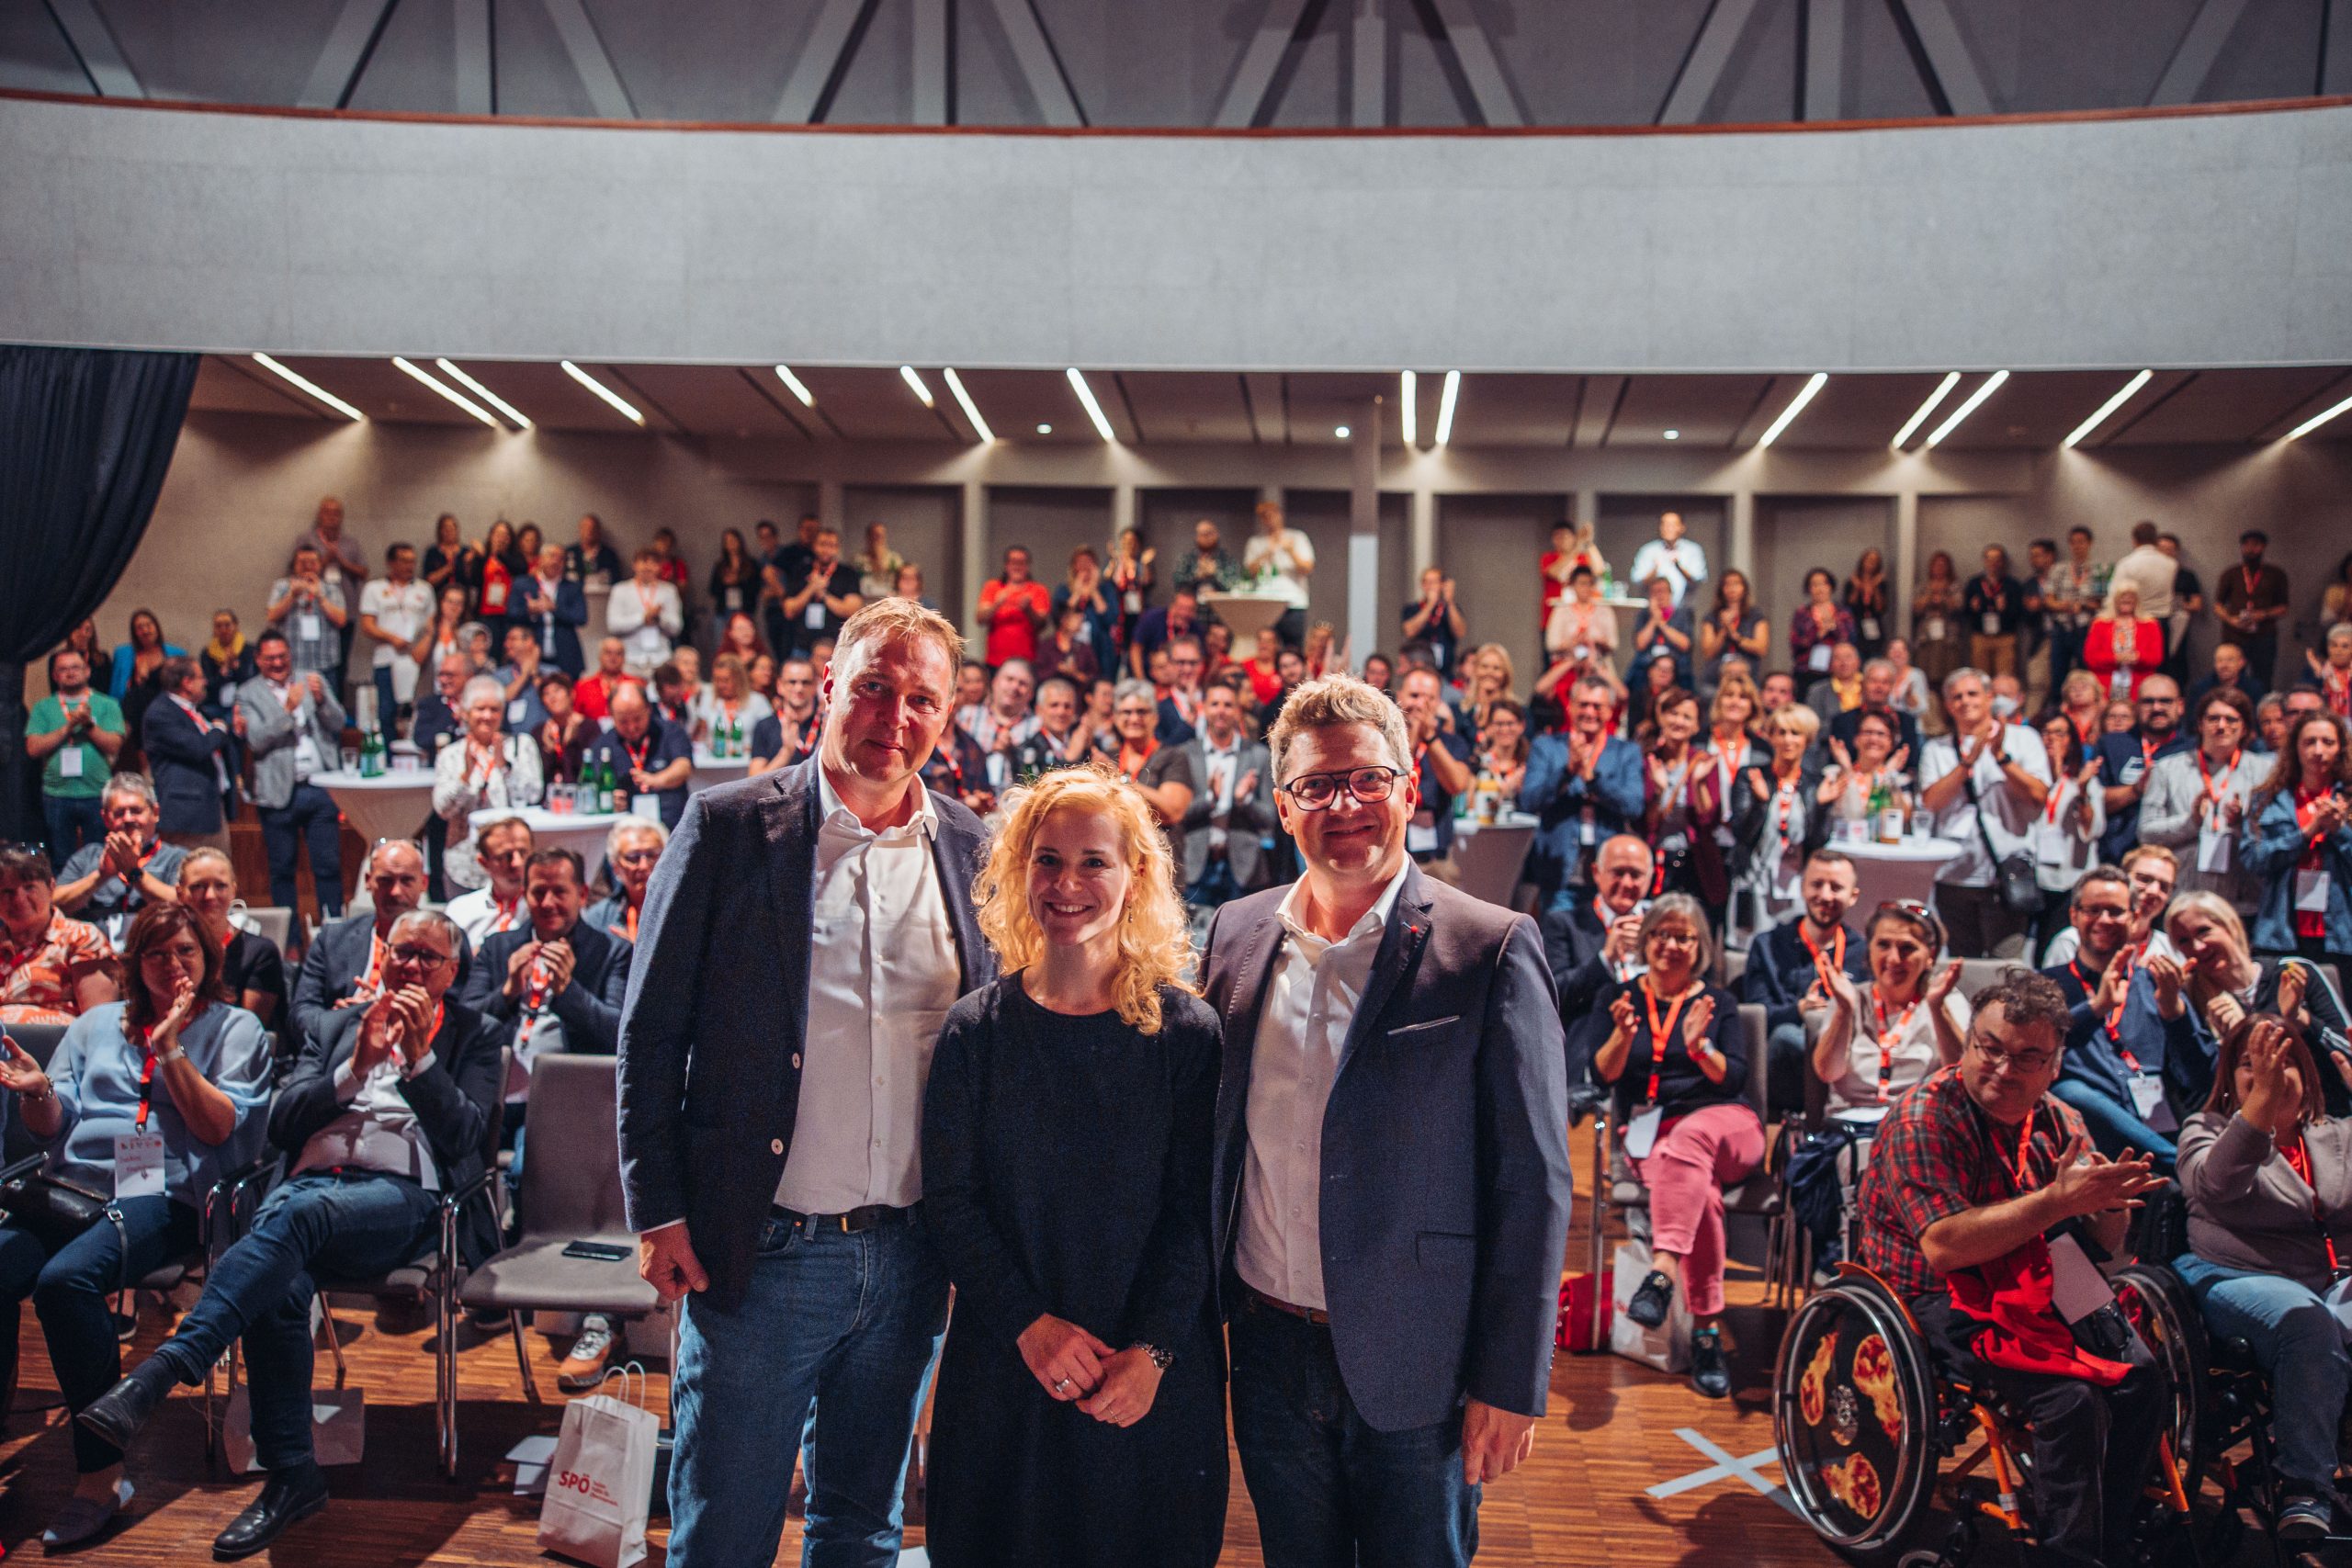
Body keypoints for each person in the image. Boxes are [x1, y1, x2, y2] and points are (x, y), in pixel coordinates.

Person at [617, 599, 993, 1567]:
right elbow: (650, 1032)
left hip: (912, 1256)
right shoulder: (730, 826)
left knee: (861, 1530)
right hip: (764, 1249)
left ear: (947, 715)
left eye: (921, 699)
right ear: (828, 688)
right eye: (874, 687)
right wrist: (657, 1209)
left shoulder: (970, 846)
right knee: (724, 1536)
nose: (894, 717)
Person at [1195, 672, 1570, 1565]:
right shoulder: (1236, 936)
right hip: (1267, 1350)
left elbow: (1533, 1180)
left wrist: (1511, 1377)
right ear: (1283, 805)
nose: (1345, 804)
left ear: (1408, 788)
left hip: (1420, 1360)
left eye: (1367, 778)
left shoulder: (1487, 945)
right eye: (1317, 785)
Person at [78, 908, 500, 1558]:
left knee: (290, 1220)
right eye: (402, 951)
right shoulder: (335, 1026)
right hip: (308, 1186)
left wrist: (418, 1061)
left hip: (400, 1200)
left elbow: (468, 1136)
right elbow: (281, 1123)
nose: (412, 966)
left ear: (452, 971)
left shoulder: (476, 1032)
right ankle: (291, 1476)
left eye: (429, 957)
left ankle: (163, 1372)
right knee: (280, 1278)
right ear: (382, 956)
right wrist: (354, 1068)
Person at [920, 769, 1227, 1565]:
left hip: (1147, 1379)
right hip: (1006, 1368)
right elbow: (951, 1203)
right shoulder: (975, 1031)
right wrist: (1030, 1325)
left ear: (1137, 876)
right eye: (1048, 859)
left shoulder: (1188, 1034)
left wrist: (1152, 1351)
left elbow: (1199, 1212)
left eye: (1094, 861)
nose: (1067, 884)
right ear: (1018, 869)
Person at [1853, 969, 2169, 1568]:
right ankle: (2067, 1557)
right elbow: (1944, 1246)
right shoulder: (1924, 1117)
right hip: (1939, 1288)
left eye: (2027, 1057)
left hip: (2045, 1268)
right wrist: (2055, 1202)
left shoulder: (2062, 1121)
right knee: (2071, 1400)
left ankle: (2112, 1537)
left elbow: (2104, 1248)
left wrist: (2108, 1207)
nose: (2003, 1068)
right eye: (1990, 1048)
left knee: (2142, 1376)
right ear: (1968, 1043)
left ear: (2053, 1065)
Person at [0, 903, 270, 1551]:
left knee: (65, 1282)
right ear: (135, 962)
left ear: (208, 958)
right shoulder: (94, 1023)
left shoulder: (236, 1027)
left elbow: (218, 1130)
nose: (172, 964)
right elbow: (53, 1126)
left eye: (185, 951)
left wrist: (170, 1049)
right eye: (156, 953)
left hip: (165, 1193)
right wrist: (38, 1093)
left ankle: (102, 1478)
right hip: (71, 1187)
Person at [2174, 1013, 2352, 1540]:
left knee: (2317, 1314)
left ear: (2310, 1075)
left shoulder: (2337, 1134)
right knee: (2308, 1323)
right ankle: (2305, 1487)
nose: (2269, 1072)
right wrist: (2261, 1108)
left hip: (2332, 1280)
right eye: (2251, 1064)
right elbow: (2216, 1185)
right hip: (2233, 1273)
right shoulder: (2204, 1129)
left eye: (2284, 1061)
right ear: (2230, 1080)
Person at [1593, 895, 1754, 1397]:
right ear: (1646, 940)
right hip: (1651, 1134)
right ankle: (1706, 1333)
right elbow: (1603, 1075)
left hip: (1726, 1125)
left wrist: (1701, 1047)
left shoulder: (1718, 1003)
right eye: (1662, 934)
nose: (1671, 945)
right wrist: (1622, 1037)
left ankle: (1663, 1268)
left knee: (1691, 1138)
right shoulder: (1619, 997)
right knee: (1702, 1196)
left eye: (1683, 936)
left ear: (1700, 946)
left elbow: (1734, 1079)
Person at [1917, 669, 2053, 958]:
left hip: (2005, 873)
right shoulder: (1937, 749)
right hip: (1954, 876)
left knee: (2007, 966)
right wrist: (1968, 762)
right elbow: (1931, 802)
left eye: (1972, 694)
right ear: (1948, 705)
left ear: (1989, 698)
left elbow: (2038, 795)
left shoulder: (2023, 739)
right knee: (1961, 965)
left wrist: (2001, 757)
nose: (1965, 702)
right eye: (1957, 697)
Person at [1739, 845, 1869, 1112]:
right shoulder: (1768, 945)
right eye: (1817, 885)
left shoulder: (1864, 952)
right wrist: (1798, 1009)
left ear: (1853, 896)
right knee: (1787, 1037)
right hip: (1785, 1061)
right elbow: (1756, 1017)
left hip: (1847, 1050)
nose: (1825, 895)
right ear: (1802, 887)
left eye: (1836, 887)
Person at [237, 630, 346, 919]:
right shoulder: (248, 693)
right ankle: (290, 938)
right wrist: (287, 710)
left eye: (282, 656)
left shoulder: (312, 680)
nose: (277, 663)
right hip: (277, 792)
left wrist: (321, 700)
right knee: (282, 869)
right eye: (270, 658)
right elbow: (256, 739)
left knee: (328, 865)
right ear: (258, 660)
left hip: (320, 787)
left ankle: (333, 926)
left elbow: (338, 723)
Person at [289, 839, 437, 1043]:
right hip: (341, 1050)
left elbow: (459, 1015)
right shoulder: (332, 939)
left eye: (406, 880)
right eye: (385, 880)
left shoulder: (444, 943)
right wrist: (341, 1019)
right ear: (368, 881)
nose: (395, 891)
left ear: (424, 883)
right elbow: (301, 1012)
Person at [2137, 687, 2262, 914]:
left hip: (2241, 900)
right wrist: (2191, 821)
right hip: (2180, 897)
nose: (2221, 726)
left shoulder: (2265, 771)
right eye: (2213, 718)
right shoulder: (2167, 769)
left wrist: (2241, 824)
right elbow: (2145, 833)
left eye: (2231, 719)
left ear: (2244, 728)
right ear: (2200, 724)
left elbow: (2272, 838)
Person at [2244, 710, 2352, 965]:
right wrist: (2306, 833)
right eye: (2309, 742)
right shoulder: (2268, 799)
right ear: (2295, 748)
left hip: (2341, 931)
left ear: (2341, 748)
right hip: (2281, 930)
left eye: (2328, 742)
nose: (2318, 751)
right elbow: (2253, 860)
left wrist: (2339, 830)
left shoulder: (2348, 798)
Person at [433, 676, 542, 895]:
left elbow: (533, 795)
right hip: (464, 862)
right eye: (480, 709)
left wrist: (505, 768)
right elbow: (443, 809)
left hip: (512, 863)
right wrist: (465, 777)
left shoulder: (521, 747)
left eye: (494, 709)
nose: (487, 716)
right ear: (465, 712)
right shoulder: (451, 754)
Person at [1174, 681, 1276, 914]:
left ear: (1238, 711)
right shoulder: (1186, 754)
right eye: (1215, 704)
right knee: (1194, 934)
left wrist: (1244, 802)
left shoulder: (1259, 755)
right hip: (1196, 864)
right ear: (1204, 709)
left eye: (1228, 705)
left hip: (1243, 868)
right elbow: (1176, 813)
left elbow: (1270, 818)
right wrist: (1210, 799)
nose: (1221, 710)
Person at [53, 775, 185, 942]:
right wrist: (100, 876)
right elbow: (54, 905)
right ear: (106, 818)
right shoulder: (87, 856)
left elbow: (184, 905)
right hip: (95, 950)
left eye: (136, 811)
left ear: (155, 813)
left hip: (156, 948)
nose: (128, 819)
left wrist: (134, 874)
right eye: (119, 813)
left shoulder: (176, 858)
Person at [28, 648, 125, 869]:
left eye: (75, 667)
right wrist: (68, 727)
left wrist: (88, 725)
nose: (70, 673)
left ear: (87, 671)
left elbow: (114, 745)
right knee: (61, 860)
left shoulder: (107, 704)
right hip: (57, 794)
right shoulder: (43, 707)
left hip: (97, 793)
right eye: (63, 669)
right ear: (55, 676)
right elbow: (33, 748)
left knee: (100, 859)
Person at [0, 843, 117, 1026]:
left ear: (52, 887)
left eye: (29, 887)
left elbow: (99, 1023)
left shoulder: (81, 937)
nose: (19, 899)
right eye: (7, 891)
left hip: (58, 1042)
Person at [176, 849, 286, 1034]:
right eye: (198, 886)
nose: (210, 896)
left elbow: (247, 1032)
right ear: (179, 893)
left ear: (233, 891)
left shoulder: (260, 953)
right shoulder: (169, 952)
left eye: (220, 886)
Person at [2028, 713, 2107, 948]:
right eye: (2045, 732)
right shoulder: (2027, 781)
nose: (2051, 739)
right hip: (2032, 875)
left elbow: (2093, 829)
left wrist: (2082, 792)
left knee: (2058, 943)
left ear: (2071, 740)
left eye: (2059, 733)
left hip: (2071, 877)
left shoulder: (2083, 781)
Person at [142, 656, 234, 856]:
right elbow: (198, 748)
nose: (206, 682)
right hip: (186, 814)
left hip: (210, 807)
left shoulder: (195, 711)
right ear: (187, 682)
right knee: (187, 870)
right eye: (201, 677)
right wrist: (219, 729)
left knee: (221, 868)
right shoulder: (161, 713)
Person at [1396, 666, 1476, 882]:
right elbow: (1391, 780)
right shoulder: (1382, 739)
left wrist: (1430, 738)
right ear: (1400, 696)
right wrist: (1411, 740)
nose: (1420, 704)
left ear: (1439, 702)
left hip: (1438, 858)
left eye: (1429, 698)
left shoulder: (1452, 742)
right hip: (1392, 855)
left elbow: (1457, 785)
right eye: (1414, 696)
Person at [582, 684, 694, 830]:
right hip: (626, 830)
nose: (632, 727)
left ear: (648, 709)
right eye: (623, 721)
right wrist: (611, 799)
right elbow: (596, 786)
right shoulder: (603, 745)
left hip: (674, 825)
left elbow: (684, 767)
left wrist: (655, 780)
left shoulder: (670, 731)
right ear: (611, 715)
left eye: (637, 719)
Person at [357, 542, 433, 730]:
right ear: (390, 563)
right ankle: (388, 748)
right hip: (386, 657)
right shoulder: (374, 588)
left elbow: (431, 624)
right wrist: (392, 638)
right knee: (386, 710)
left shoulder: (424, 589)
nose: (409, 566)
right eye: (404, 561)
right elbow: (367, 625)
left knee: (415, 709)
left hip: (415, 658)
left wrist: (423, 645)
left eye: (412, 561)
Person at [296, 496, 368, 678]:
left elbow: (363, 572)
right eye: (327, 512)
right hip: (314, 609)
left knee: (342, 660)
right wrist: (325, 560)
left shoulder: (350, 543)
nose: (332, 517)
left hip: (345, 609)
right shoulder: (307, 539)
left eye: (336, 513)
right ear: (320, 515)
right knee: (314, 657)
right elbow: (296, 570)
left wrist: (343, 563)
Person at [267, 545, 350, 696]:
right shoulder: (282, 586)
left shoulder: (331, 589)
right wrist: (292, 596)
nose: (308, 566)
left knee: (327, 707)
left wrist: (320, 597)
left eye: (312, 562)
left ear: (320, 564)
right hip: (292, 664)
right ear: (294, 565)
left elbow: (341, 621)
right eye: (302, 562)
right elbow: (272, 616)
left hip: (325, 663)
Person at [2215, 528, 2290, 689]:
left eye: (2255, 545)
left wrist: (2264, 614)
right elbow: (2218, 605)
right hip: (2235, 634)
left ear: (2263, 547)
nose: (2251, 549)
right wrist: (2231, 620)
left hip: (2263, 634)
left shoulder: (2276, 574)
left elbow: (2284, 607)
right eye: (2247, 545)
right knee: (2232, 677)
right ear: (2242, 547)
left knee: (2263, 677)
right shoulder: (2231, 573)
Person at [2042, 525, 2108, 694]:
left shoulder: (2100, 569)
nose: (2077, 546)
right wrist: (2063, 605)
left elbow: (2103, 604)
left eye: (2081, 542)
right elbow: (2049, 600)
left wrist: (2083, 605)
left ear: (2090, 543)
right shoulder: (2058, 569)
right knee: (2058, 672)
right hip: (2062, 627)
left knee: (2086, 671)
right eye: (2073, 542)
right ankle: (2058, 705)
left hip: (2087, 628)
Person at [1242, 499, 1315, 649]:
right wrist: (1267, 552)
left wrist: (1290, 551)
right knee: (1265, 647)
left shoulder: (1297, 537)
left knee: (1293, 648)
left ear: (1280, 514)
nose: (1269, 519)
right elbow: (1249, 572)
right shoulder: (1255, 542)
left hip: (1293, 602)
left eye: (1272, 514)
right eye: (1265, 516)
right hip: (1265, 603)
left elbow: (1307, 568)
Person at [512, 542, 589, 677]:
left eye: (561, 559)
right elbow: (511, 612)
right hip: (532, 653)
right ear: (541, 559)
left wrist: (554, 609)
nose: (556, 562)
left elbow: (581, 617)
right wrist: (529, 611)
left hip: (565, 655)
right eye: (552, 556)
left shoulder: (572, 587)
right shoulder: (523, 584)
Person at [609, 547, 687, 678]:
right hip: (630, 658)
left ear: (660, 567)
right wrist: (642, 619)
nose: (647, 567)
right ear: (634, 565)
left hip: (661, 658)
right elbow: (613, 625)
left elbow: (676, 627)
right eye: (643, 562)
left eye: (653, 563)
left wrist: (658, 618)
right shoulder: (620, 590)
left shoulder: (669, 591)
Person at [586, 818, 667, 943]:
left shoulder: (683, 909)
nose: (644, 866)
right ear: (615, 867)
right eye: (633, 857)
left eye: (652, 855)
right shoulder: (599, 918)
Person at [2084, 582, 2164, 705]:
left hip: (2139, 684)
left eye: (2131, 596)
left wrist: (2137, 657)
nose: (2126, 599)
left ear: (2137, 600)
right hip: (2105, 685)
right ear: (2114, 600)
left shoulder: (2150, 624)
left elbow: (2156, 657)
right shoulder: (2100, 624)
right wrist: (2115, 658)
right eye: (2122, 596)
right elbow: (2090, 657)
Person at [2105, 520, 2178, 649]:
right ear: (2155, 540)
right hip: (2162, 622)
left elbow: (2114, 594)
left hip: (2135, 621)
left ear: (2134, 540)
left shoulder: (2126, 563)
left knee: (2134, 659)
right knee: (2159, 660)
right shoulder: (2171, 564)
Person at [1694, 569, 1768, 695]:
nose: (1732, 588)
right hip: (1716, 678)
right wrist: (1724, 629)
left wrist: (1734, 634)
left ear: (1744, 588)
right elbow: (1708, 652)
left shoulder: (1756, 615)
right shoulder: (1711, 617)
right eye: (1727, 584)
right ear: (1721, 589)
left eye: (1736, 584)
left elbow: (1761, 648)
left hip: (1748, 676)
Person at [978, 546, 1052, 670]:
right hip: (996, 660)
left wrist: (1028, 610)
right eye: (1013, 562)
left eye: (1021, 563)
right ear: (1006, 565)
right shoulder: (993, 587)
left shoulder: (1038, 590)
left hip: (1027, 659)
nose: (1017, 567)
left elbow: (1042, 624)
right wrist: (996, 604)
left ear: (1028, 566)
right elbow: (980, 618)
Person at [748, 656, 822, 776]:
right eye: (792, 682)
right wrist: (786, 752)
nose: (799, 688)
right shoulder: (765, 726)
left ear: (815, 686)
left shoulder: (827, 725)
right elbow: (753, 780)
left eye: (805, 682)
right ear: (779, 685)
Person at [690, 653, 772, 757]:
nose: (721, 685)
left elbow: (769, 736)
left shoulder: (758, 701)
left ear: (739, 679)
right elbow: (699, 736)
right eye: (717, 680)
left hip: (750, 759)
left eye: (726, 680)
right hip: (714, 760)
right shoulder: (707, 699)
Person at [1962, 546, 2026, 679]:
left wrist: (2005, 609)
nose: (1993, 563)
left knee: (2004, 676)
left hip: (2005, 637)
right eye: (1989, 559)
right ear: (1984, 561)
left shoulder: (2012, 584)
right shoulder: (1974, 583)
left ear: (2003, 562)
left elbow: (2020, 613)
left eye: (1997, 559)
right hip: (1980, 636)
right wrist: (1973, 608)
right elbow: (1964, 613)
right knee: (1981, 677)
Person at [1789, 569, 1857, 681]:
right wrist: (1818, 634)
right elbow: (1796, 643)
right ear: (1809, 589)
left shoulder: (1843, 613)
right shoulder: (1802, 613)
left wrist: (1834, 628)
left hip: (1837, 668)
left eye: (1824, 584)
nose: (1820, 589)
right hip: (1807, 668)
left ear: (1830, 586)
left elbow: (1851, 640)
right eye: (1815, 585)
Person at [1630, 510, 1707, 608]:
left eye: (1673, 524)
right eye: (1665, 524)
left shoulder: (1693, 550)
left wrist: (1678, 566)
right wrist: (1654, 569)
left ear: (1682, 527)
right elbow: (1638, 579)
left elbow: (1698, 579)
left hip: (1683, 609)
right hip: (1653, 610)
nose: (1668, 528)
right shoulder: (1648, 550)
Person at [199, 609, 256, 721]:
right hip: (215, 704)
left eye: (227, 625)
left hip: (242, 703)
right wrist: (224, 670)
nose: (223, 630)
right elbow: (208, 685)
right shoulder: (207, 654)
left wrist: (236, 666)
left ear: (236, 626)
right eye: (218, 626)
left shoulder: (249, 650)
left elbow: (252, 682)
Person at [1845, 547, 1894, 660]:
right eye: (1869, 559)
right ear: (1863, 560)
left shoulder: (1881, 583)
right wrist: (1858, 587)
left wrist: (1874, 587)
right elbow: (1849, 605)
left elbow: (1880, 608)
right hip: (1856, 626)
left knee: (1875, 658)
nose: (1871, 563)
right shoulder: (1852, 581)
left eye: (1875, 561)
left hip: (1874, 627)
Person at [1173, 519, 1239, 596]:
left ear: (1216, 535)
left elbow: (1236, 586)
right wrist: (1196, 575)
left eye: (1209, 533)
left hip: (1220, 601)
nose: (1206, 537)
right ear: (1197, 537)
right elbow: (1177, 585)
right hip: (1193, 601)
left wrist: (1216, 573)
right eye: (1202, 534)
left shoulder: (1227, 559)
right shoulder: (1187, 559)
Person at [2306, 623, 2352, 720]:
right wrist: (2320, 677)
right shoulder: (2315, 673)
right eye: (2334, 645)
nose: (2338, 651)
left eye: (2345, 646)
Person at [563, 513, 621, 588]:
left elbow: (616, 582)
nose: (589, 531)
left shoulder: (609, 555)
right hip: (572, 593)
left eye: (593, 528)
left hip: (601, 594)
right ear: (580, 530)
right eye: (585, 528)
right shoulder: (569, 553)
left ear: (598, 531)